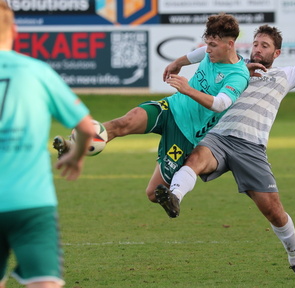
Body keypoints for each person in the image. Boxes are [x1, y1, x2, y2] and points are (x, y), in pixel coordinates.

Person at [154, 25, 295, 279]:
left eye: (265, 46)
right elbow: (204, 53)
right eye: (255, 44)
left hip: (251, 147)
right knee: (196, 158)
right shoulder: (236, 69)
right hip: (218, 137)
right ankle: (174, 198)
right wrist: (179, 63)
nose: (258, 49)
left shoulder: (286, 76)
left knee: (273, 210)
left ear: (277, 53)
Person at [53, 12, 250, 203]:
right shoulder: (212, 52)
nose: (208, 50)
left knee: (153, 193)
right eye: (207, 44)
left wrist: (188, 89)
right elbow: (199, 53)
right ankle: (74, 146)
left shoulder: (238, 75)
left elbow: (221, 104)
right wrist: (177, 63)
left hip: (186, 133)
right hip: (170, 108)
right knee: (125, 123)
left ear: (230, 44)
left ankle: (174, 198)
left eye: (213, 46)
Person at [0, 1, 95, 287]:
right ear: (15, 30)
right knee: (45, 282)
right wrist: (76, 156)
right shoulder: (36, 71)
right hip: (31, 202)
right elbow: (87, 128)